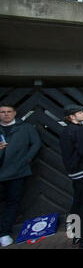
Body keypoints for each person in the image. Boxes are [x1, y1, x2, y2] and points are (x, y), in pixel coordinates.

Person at [0, 104, 41, 247]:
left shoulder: (25, 128)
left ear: (14, 113)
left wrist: (26, 160)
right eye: (3, 112)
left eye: (8, 112)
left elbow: (36, 143)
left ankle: (4, 232)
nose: (6, 114)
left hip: (17, 171)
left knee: (12, 202)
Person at [59, 104, 83, 249]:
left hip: (74, 173)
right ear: (71, 116)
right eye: (79, 112)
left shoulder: (65, 131)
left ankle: (76, 234)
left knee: (77, 204)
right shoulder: (79, 131)